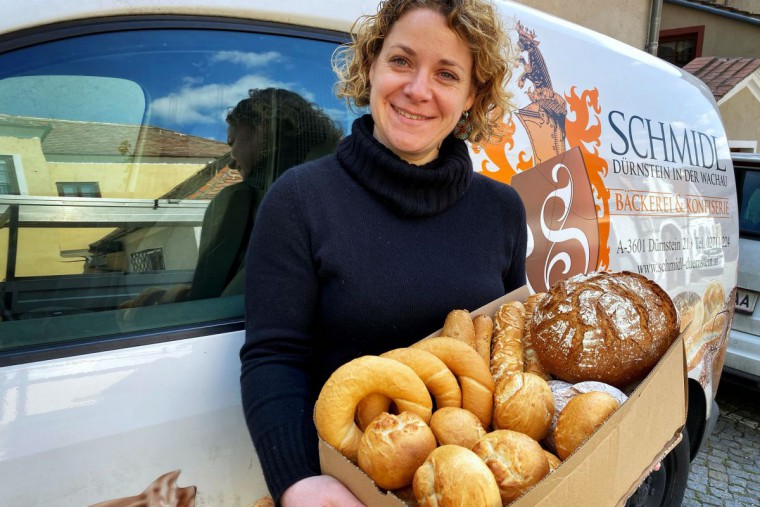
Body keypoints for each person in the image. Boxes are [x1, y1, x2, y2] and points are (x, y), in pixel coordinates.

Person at [239, 1, 526, 505]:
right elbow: (273, 356)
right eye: (400, 61)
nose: (418, 89)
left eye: (446, 73)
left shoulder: (501, 209)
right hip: (344, 487)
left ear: (471, 96)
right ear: (370, 66)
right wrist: (299, 480)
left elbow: (508, 353)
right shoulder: (300, 200)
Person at [186, 88, 342, 300]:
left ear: (261, 128)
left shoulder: (307, 202)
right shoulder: (299, 190)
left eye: (233, 142)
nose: (231, 162)